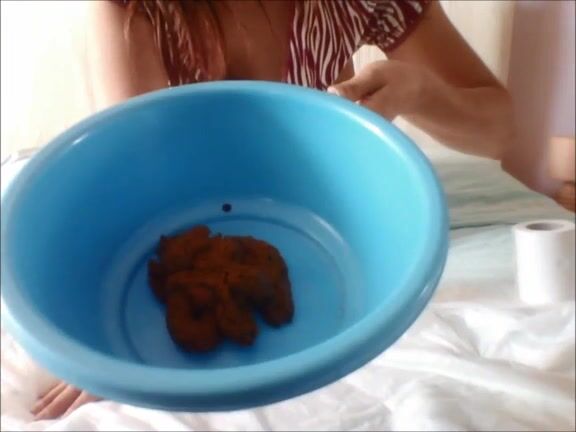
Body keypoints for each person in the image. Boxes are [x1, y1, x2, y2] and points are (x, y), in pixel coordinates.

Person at [31, 0, 515, 420]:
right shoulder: (134, 10)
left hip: (327, 251)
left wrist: (422, 92)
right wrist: (102, 344)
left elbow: (504, 129)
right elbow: (136, 181)